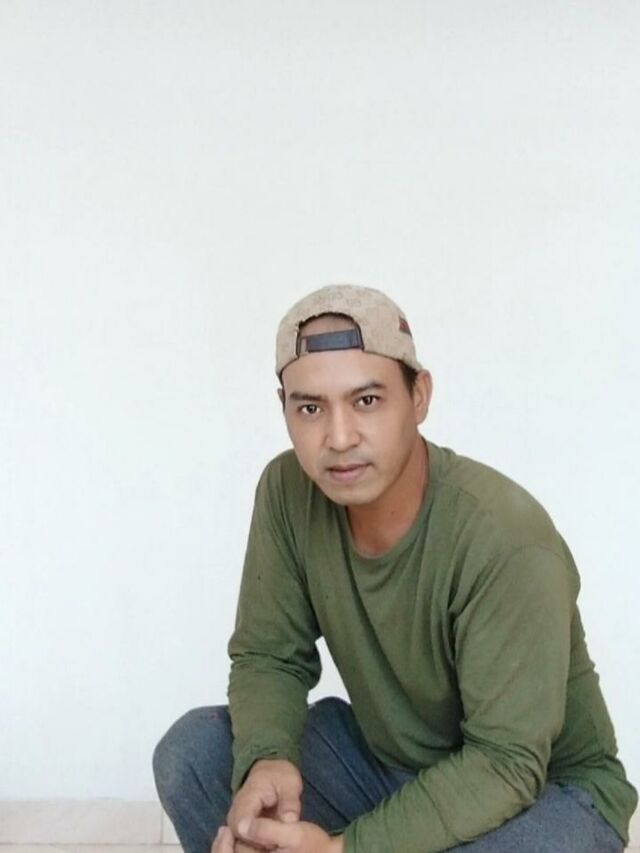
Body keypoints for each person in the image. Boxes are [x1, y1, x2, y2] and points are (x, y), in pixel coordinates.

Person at [153, 284, 637, 853]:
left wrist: (344, 848)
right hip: (389, 768)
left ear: (420, 396)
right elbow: (269, 655)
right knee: (193, 755)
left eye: (366, 401)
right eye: (310, 408)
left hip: (547, 794)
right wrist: (268, 760)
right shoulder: (288, 492)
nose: (339, 438)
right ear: (283, 407)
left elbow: (507, 764)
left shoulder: (504, 535)